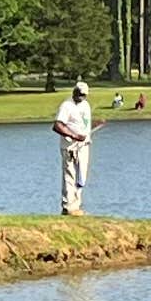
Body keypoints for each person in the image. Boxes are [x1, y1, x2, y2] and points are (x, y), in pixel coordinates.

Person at [52, 80, 94, 215]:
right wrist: (74, 136)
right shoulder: (66, 106)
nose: (81, 97)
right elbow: (57, 126)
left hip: (83, 146)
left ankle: (76, 205)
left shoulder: (86, 106)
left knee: (81, 176)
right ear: (74, 92)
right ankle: (68, 206)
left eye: (84, 95)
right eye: (79, 94)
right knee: (70, 174)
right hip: (69, 146)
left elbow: (84, 125)